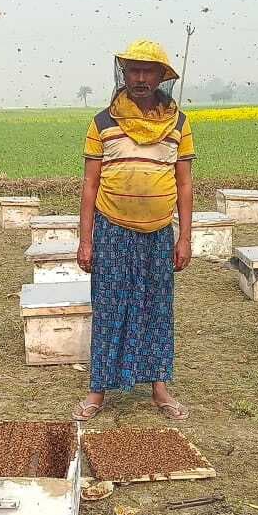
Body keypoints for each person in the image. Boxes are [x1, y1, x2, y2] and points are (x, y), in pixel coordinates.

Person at [73, 39, 194, 422]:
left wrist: (185, 236)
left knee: (157, 309)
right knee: (109, 308)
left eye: (148, 71)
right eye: (134, 71)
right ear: (124, 75)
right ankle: (97, 390)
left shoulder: (178, 123)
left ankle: (159, 387)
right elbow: (90, 184)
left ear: (162, 77)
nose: (140, 78)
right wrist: (86, 239)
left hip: (158, 233)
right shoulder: (102, 122)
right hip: (111, 229)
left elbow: (185, 184)